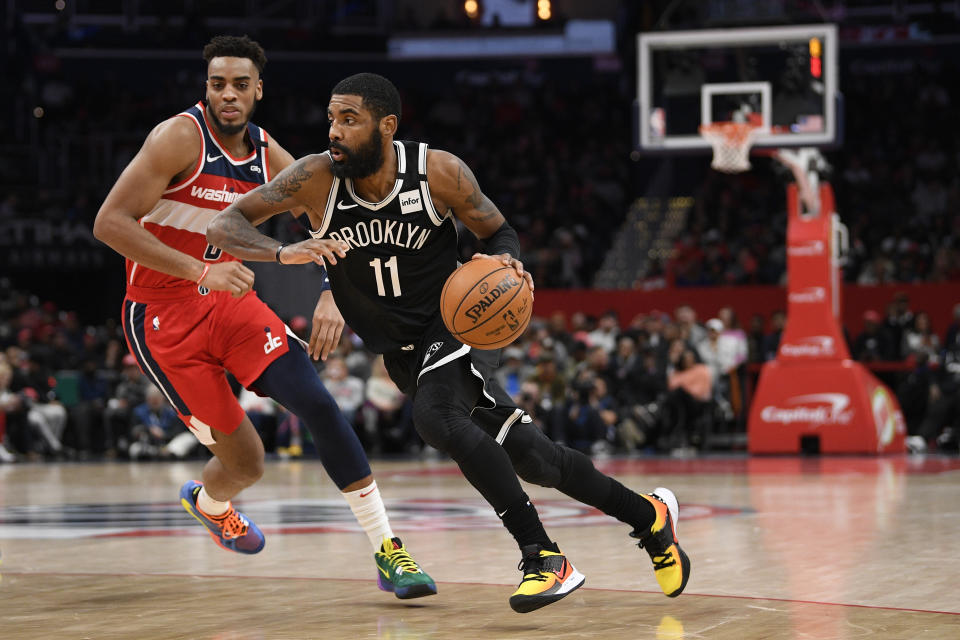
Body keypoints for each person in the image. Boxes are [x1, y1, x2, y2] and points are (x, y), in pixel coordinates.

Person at [206, 72, 690, 612]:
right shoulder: (315, 178)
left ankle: (543, 557)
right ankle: (650, 518)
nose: (334, 132)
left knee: (435, 419)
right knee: (534, 459)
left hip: (460, 324)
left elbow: (498, 232)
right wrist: (283, 253)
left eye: (349, 119)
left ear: (386, 126)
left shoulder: (438, 171)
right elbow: (224, 226)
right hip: (401, 352)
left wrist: (507, 261)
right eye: (330, 119)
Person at [92, 37, 434, 600]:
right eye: (217, 83)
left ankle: (388, 549)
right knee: (246, 462)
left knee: (319, 404)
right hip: (161, 317)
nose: (228, 94)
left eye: (240, 84)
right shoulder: (178, 137)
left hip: (229, 303)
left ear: (258, 91)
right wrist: (200, 272)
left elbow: (327, 219)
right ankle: (209, 502)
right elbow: (110, 223)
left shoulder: (268, 153)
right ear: (207, 88)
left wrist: (331, 292)